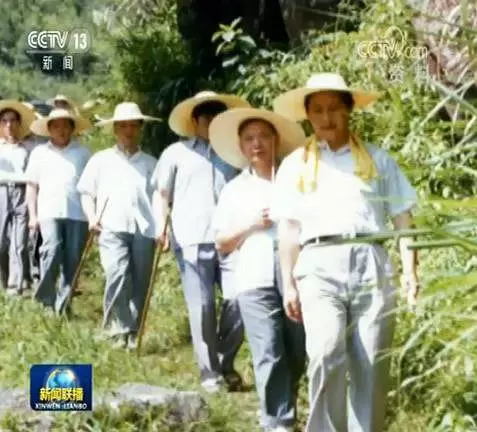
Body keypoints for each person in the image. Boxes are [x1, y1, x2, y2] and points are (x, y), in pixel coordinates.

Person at [272, 72, 420, 432]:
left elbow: (403, 217)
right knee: (324, 352)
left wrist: (411, 272)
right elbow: (289, 229)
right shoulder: (295, 166)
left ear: (349, 111)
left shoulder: (377, 159)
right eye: (318, 110)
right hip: (317, 264)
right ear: (308, 115)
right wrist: (289, 283)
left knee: (371, 362)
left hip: (371, 261)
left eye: (334, 109)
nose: (326, 118)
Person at [210, 107, 307, 432]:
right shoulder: (234, 189)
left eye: (263, 136)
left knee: (296, 350)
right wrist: (252, 224)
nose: (257, 144)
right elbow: (221, 241)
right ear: (240, 146)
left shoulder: (296, 180)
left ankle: (285, 406)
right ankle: (277, 422)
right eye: (249, 138)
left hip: (295, 275)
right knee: (268, 350)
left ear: (275, 140)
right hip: (253, 276)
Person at [153, 91, 249, 393]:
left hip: (231, 238)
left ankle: (224, 360)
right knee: (203, 305)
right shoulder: (175, 153)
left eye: (218, 117)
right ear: (195, 121)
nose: (212, 122)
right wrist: (161, 226)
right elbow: (162, 194)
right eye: (207, 117)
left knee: (241, 300)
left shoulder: (234, 153)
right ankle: (209, 372)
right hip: (191, 237)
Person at [77, 102, 160, 349]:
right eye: (122, 126)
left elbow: (159, 199)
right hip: (110, 226)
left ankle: (132, 330)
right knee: (117, 274)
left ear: (140, 128)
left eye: (133, 125)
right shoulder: (100, 160)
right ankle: (117, 326)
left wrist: (163, 228)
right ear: (114, 129)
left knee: (140, 281)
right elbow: (85, 192)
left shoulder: (150, 163)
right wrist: (92, 217)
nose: (128, 131)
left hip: (144, 228)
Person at [26, 108, 92, 315]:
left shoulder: (83, 153)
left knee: (73, 260)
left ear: (72, 129)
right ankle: (46, 300)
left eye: (65, 125)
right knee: (51, 251)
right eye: (56, 125)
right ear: (49, 129)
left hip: (78, 214)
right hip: (49, 211)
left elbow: (91, 187)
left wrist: (93, 216)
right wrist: (32, 216)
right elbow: (32, 185)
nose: (61, 130)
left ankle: (63, 306)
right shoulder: (39, 153)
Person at [0, 100, 36, 296]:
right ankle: (5, 281)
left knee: (19, 241)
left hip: (21, 191)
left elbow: (33, 174)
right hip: (1, 192)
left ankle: (16, 284)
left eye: (13, 121)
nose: (9, 125)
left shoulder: (27, 148)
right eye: (4, 121)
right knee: (1, 242)